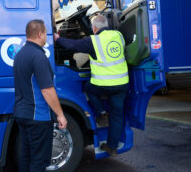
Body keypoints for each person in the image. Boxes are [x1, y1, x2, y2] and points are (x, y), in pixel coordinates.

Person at [54, 15, 128, 157]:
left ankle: (100, 114)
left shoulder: (93, 40)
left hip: (103, 84)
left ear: (94, 29)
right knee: (117, 116)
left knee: (88, 88)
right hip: (122, 84)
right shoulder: (118, 35)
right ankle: (112, 147)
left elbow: (73, 45)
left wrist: (58, 39)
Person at [13, 19, 68, 172]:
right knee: (39, 162)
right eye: (45, 34)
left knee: (26, 158)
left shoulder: (20, 55)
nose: (46, 38)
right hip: (38, 117)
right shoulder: (38, 56)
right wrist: (60, 115)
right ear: (39, 34)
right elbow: (47, 90)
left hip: (22, 114)